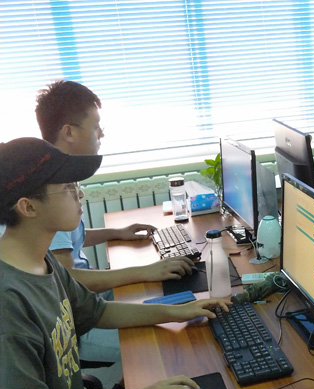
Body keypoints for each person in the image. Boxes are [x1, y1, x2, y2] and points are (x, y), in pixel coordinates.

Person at [0, 138, 231, 389]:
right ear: (28, 207)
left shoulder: (41, 259)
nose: (80, 194)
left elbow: (98, 311)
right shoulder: (8, 300)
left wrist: (176, 312)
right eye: (68, 188)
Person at [35, 80, 195, 373]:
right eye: (96, 126)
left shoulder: (59, 178)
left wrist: (116, 233)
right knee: (175, 338)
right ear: (69, 132)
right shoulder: (50, 189)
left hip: (88, 303)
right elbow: (69, 278)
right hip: (75, 325)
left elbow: (66, 241)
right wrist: (144, 270)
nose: (102, 134)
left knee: (170, 298)